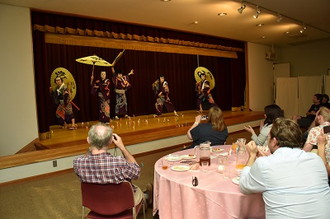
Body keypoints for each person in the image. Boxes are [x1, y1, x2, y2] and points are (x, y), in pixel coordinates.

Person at [240, 118, 330, 218]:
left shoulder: (265, 164)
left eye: (269, 137)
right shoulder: (316, 160)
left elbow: (244, 186)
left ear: (274, 141)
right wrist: (268, 160)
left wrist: (252, 156)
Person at [73, 123, 153, 208]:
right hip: (121, 204)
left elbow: (88, 157)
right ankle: (146, 197)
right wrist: (122, 147)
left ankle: (145, 196)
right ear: (110, 141)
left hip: (95, 203)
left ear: (88, 140)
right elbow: (136, 172)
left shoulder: (78, 163)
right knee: (137, 190)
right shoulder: (119, 162)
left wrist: (92, 144)